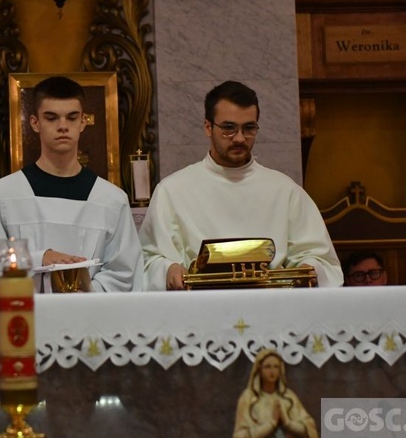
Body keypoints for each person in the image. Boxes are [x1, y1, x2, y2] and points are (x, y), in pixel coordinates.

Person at [139, 80, 343, 290]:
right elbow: (148, 261)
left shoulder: (284, 191)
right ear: (208, 127)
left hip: (271, 307)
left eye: (249, 128)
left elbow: (321, 260)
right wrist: (168, 269)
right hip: (200, 309)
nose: (239, 138)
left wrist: (309, 267)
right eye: (228, 128)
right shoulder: (172, 191)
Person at [0, 76, 144, 294]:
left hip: (90, 318)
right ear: (35, 123)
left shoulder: (111, 200)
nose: (63, 126)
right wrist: (41, 258)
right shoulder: (5, 194)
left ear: (83, 121)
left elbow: (125, 271)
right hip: (28, 317)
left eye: (72, 117)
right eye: (51, 118)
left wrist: (88, 292)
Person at [233, 348, 318, 438]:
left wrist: (288, 423)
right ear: (259, 370)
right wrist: (271, 425)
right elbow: (239, 436)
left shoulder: (288, 396)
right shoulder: (248, 397)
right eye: (267, 367)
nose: (272, 371)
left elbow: (310, 429)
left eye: (276, 367)